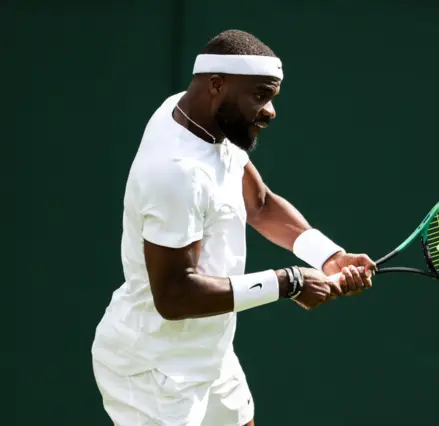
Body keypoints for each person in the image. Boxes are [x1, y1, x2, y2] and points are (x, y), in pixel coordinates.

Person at [91, 29, 376, 426]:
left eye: (272, 96)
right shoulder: (175, 173)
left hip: (211, 353)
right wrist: (288, 282)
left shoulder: (200, 117)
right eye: (260, 95)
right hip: (153, 373)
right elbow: (174, 297)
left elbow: (258, 203)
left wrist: (329, 256)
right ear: (216, 86)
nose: (271, 110)